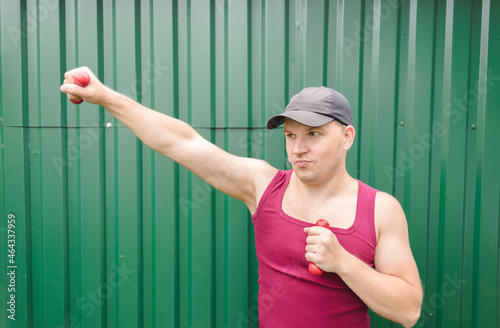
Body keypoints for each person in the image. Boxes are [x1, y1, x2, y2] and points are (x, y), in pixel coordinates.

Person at [61, 67, 423, 327]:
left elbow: (409, 311)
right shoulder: (263, 185)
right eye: (291, 136)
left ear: (347, 137)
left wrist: (343, 262)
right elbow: (181, 143)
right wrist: (106, 96)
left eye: (313, 134)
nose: (298, 148)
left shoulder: (379, 209)